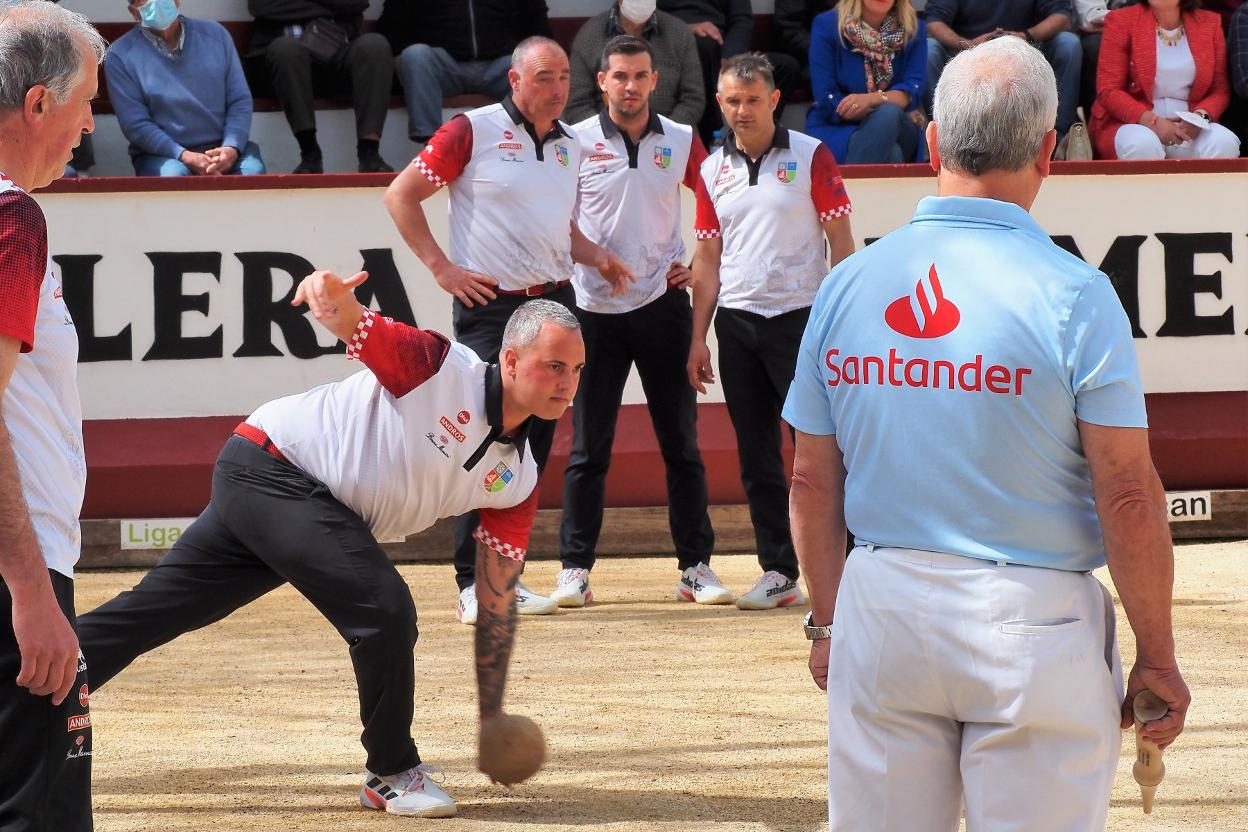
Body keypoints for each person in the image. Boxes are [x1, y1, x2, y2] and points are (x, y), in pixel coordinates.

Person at [784, 36, 1190, 830]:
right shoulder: (1077, 294)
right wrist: (1157, 653)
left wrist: (830, 622)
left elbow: (809, 478)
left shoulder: (848, 284)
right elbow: (1130, 492)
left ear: (931, 140)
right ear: (1049, 152)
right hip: (1032, 620)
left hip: (882, 606)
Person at [77, 288, 584, 819]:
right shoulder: (437, 366)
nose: (567, 384)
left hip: (297, 498)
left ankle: (20, 690)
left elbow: (497, 599)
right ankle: (392, 773)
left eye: (575, 369)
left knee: (151, 613)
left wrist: (492, 713)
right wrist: (326, 292)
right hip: (273, 466)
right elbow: (352, 321)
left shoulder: (518, 479)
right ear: (509, 359)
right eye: (553, 365)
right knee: (384, 608)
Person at [383, 36, 634, 625]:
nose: (557, 90)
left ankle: (506, 577)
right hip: (492, 306)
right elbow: (401, 195)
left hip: (555, 301)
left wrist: (597, 256)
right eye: (544, 77)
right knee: (484, 440)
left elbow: (558, 229)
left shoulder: (572, 146)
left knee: (532, 447)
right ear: (515, 79)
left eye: (565, 78)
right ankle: (472, 583)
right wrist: (442, 269)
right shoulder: (470, 130)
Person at [550, 35, 715, 609]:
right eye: (620, 76)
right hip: (592, 311)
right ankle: (574, 570)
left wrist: (699, 264)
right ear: (601, 82)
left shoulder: (681, 138)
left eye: (641, 76)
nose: (631, 86)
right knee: (589, 449)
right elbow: (555, 217)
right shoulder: (574, 142)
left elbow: (723, 201)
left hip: (661, 305)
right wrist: (594, 258)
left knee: (682, 446)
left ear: (654, 81)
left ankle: (696, 567)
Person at [687, 53, 854, 609]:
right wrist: (697, 339)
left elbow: (843, 247)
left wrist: (836, 322)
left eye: (752, 100)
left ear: (774, 100)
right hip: (737, 323)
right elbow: (707, 260)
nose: (742, 110)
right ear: (719, 102)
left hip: (802, 320)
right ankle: (779, 570)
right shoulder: (711, 169)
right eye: (732, 100)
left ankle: (853, 566)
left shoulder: (812, 155)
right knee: (756, 452)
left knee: (820, 450)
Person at [0, 3, 104, 830]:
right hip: (14, 577)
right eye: (84, 102)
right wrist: (32, 592)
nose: (89, 124)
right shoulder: (12, 218)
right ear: (38, 104)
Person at [106, 0, 265, 177]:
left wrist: (231, 148)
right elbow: (135, 124)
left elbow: (239, 100)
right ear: (134, 11)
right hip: (163, 155)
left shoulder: (216, 35)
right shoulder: (120, 55)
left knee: (252, 174)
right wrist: (184, 155)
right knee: (173, 179)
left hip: (224, 147)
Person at [246, 0, 394, 173]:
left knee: (375, 45)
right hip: (287, 66)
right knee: (286, 49)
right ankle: (309, 153)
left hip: (337, 53)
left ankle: (369, 152)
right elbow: (264, 8)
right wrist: (331, 8)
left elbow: (357, 4)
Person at [377, 0, 553, 144]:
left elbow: (538, 26)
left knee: (530, 63)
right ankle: (432, 145)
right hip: (445, 67)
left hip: (501, 66)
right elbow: (393, 24)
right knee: (415, 55)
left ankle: (530, 145)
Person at [1090, 0, 1239, 159]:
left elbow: (1220, 90)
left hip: (1190, 124)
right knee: (1142, 145)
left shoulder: (1210, 22)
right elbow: (1108, 90)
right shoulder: (1121, 20)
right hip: (1132, 121)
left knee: (1224, 143)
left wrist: (1199, 117)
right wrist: (1153, 122)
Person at [924, 0, 1082, 140]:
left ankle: (1057, 138)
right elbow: (933, 22)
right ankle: (943, 138)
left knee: (1068, 44)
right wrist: (968, 43)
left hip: (1027, 46)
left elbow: (1061, 16)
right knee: (929, 50)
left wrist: (1025, 35)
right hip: (966, 49)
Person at [657, 0, 801, 144]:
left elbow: (741, 20)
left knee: (786, 67)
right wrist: (683, 29)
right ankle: (709, 141)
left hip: (723, 46)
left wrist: (730, 57)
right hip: (674, 45)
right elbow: (647, 16)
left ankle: (757, 140)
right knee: (705, 47)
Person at [805, 0, 928, 164]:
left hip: (899, 125)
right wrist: (882, 105)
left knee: (888, 114)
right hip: (836, 125)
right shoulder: (827, 25)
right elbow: (825, 95)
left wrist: (871, 100)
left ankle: (846, 189)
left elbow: (912, 91)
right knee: (893, 153)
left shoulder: (914, 29)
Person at [565, 0, 705, 126]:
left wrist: (666, 134)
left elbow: (693, 99)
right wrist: (605, 137)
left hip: (670, 143)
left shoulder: (680, 34)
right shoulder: (589, 36)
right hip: (604, 145)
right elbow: (577, 104)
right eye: (620, 76)